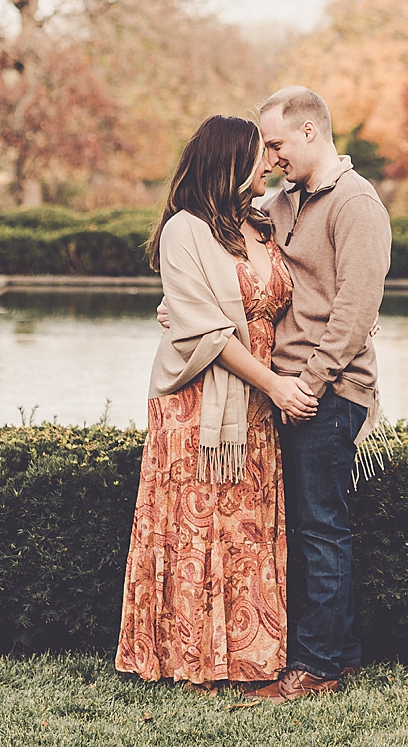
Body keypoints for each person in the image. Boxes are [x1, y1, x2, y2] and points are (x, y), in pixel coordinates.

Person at [115, 114, 320, 690]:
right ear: (231, 162)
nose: (270, 164)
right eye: (260, 155)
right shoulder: (186, 229)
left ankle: (250, 656)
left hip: (254, 405)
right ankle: (190, 658)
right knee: (199, 526)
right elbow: (208, 331)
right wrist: (275, 384)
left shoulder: (263, 222)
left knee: (248, 526)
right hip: (199, 403)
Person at [242, 85, 393, 702]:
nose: (270, 156)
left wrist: (307, 384)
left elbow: (356, 312)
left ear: (310, 132)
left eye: (276, 143)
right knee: (307, 526)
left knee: (320, 529)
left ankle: (317, 667)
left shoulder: (357, 204)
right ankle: (341, 652)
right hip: (290, 389)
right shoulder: (284, 202)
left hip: (327, 392)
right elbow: (231, 238)